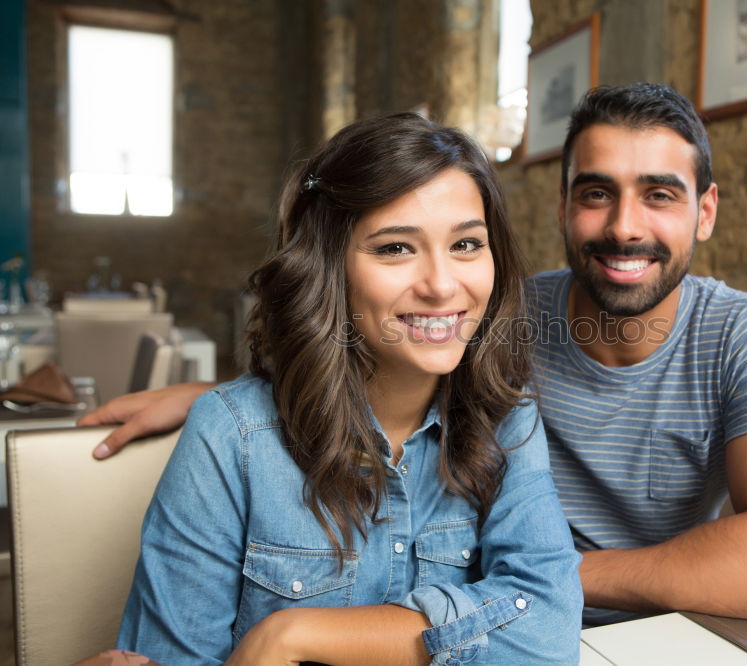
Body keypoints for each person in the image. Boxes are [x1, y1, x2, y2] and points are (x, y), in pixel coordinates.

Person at [85, 83, 747, 625]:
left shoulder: (738, 331)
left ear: (705, 211)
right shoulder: (498, 315)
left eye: (661, 195)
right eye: (597, 192)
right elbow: (369, 342)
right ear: (562, 206)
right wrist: (231, 400)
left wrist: (538, 582)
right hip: (471, 626)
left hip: (573, 628)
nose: (624, 227)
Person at [115, 113, 583, 664]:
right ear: (329, 268)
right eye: (394, 249)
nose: (441, 284)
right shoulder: (232, 437)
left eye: (466, 244)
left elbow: (549, 626)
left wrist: (293, 634)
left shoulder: (509, 420)